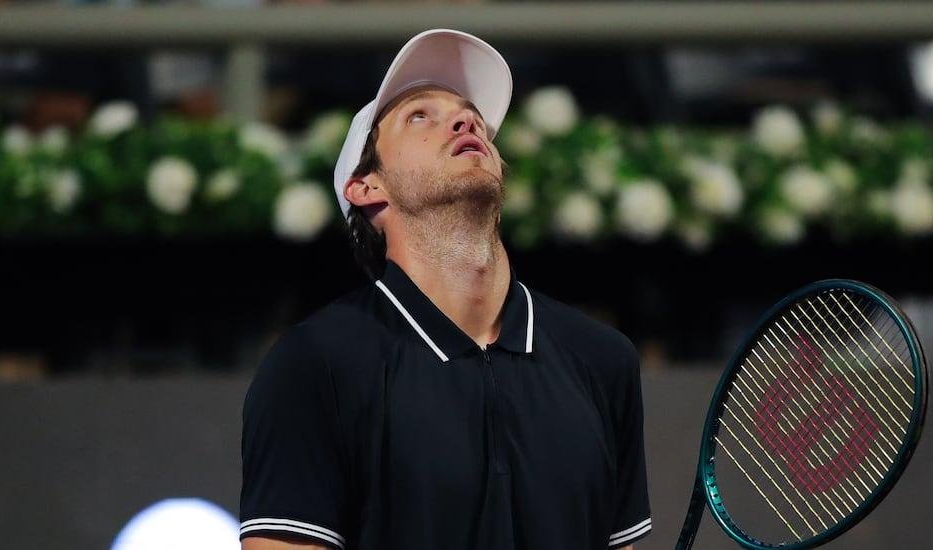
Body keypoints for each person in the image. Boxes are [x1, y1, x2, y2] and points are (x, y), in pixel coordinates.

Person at [239, 29, 651, 550]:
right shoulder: (311, 366)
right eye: (420, 117)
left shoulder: (603, 359)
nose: (465, 120)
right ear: (367, 187)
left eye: (468, 114)